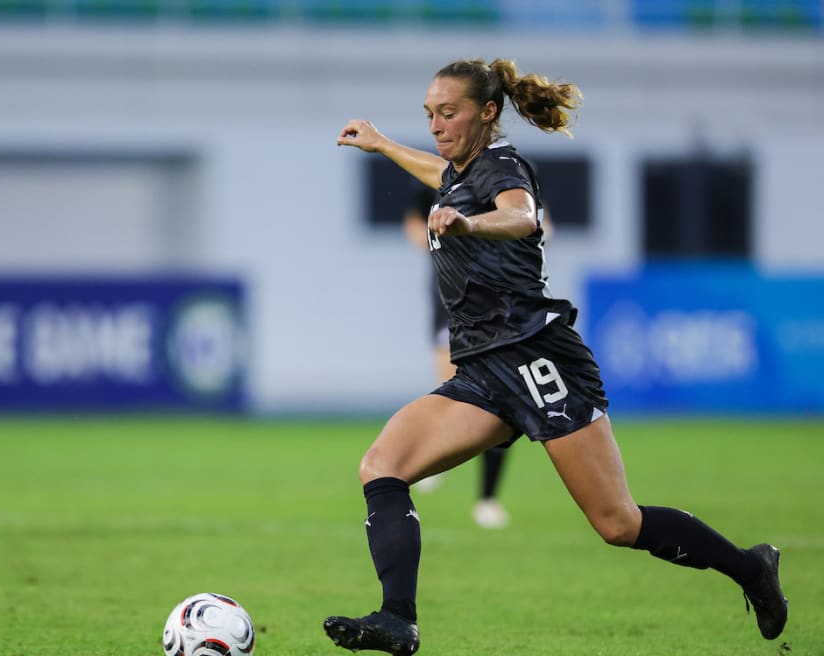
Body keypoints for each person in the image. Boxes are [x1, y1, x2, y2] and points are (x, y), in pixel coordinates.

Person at [325, 58, 787, 656]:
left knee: (617, 523)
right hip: (484, 369)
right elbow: (443, 175)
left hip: (537, 358)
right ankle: (397, 619)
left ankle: (751, 568)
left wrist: (469, 226)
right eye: (430, 114)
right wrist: (384, 143)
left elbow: (522, 215)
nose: (436, 125)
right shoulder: (463, 172)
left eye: (449, 112)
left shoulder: (503, 166)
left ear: (487, 112)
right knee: (382, 465)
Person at [402, 181, 510, 530]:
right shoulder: (434, 183)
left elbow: (537, 222)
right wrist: (444, 235)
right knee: (453, 394)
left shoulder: (505, 177)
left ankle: (487, 499)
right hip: (449, 302)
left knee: (498, 403)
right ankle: (434, 458)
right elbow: (414, 229)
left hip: (497, 306)